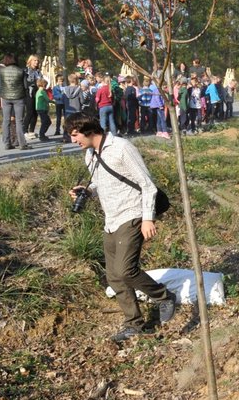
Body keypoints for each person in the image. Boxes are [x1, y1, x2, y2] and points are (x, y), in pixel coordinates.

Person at [66, 113, 177, 343]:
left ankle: (164, 297)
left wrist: (148, 218)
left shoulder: (121, 147)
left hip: (133, 214)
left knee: (126, 269)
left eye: (74, 135)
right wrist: (87, 191)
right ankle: (133, 323)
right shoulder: (90, 155)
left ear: (87, 130)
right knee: (114, 276)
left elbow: (147, 184)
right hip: (112, 219)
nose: (73, 141)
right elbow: (101, 182)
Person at [0, 54, 30, 150]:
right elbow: (25, 86)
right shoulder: (21, 71)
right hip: (19, 98)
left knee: (6, 121)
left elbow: (0, 86)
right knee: (19, 121)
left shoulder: (1, 71)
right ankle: (22, 144)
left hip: (6, 98)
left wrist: (0, 97)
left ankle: (7, 143)